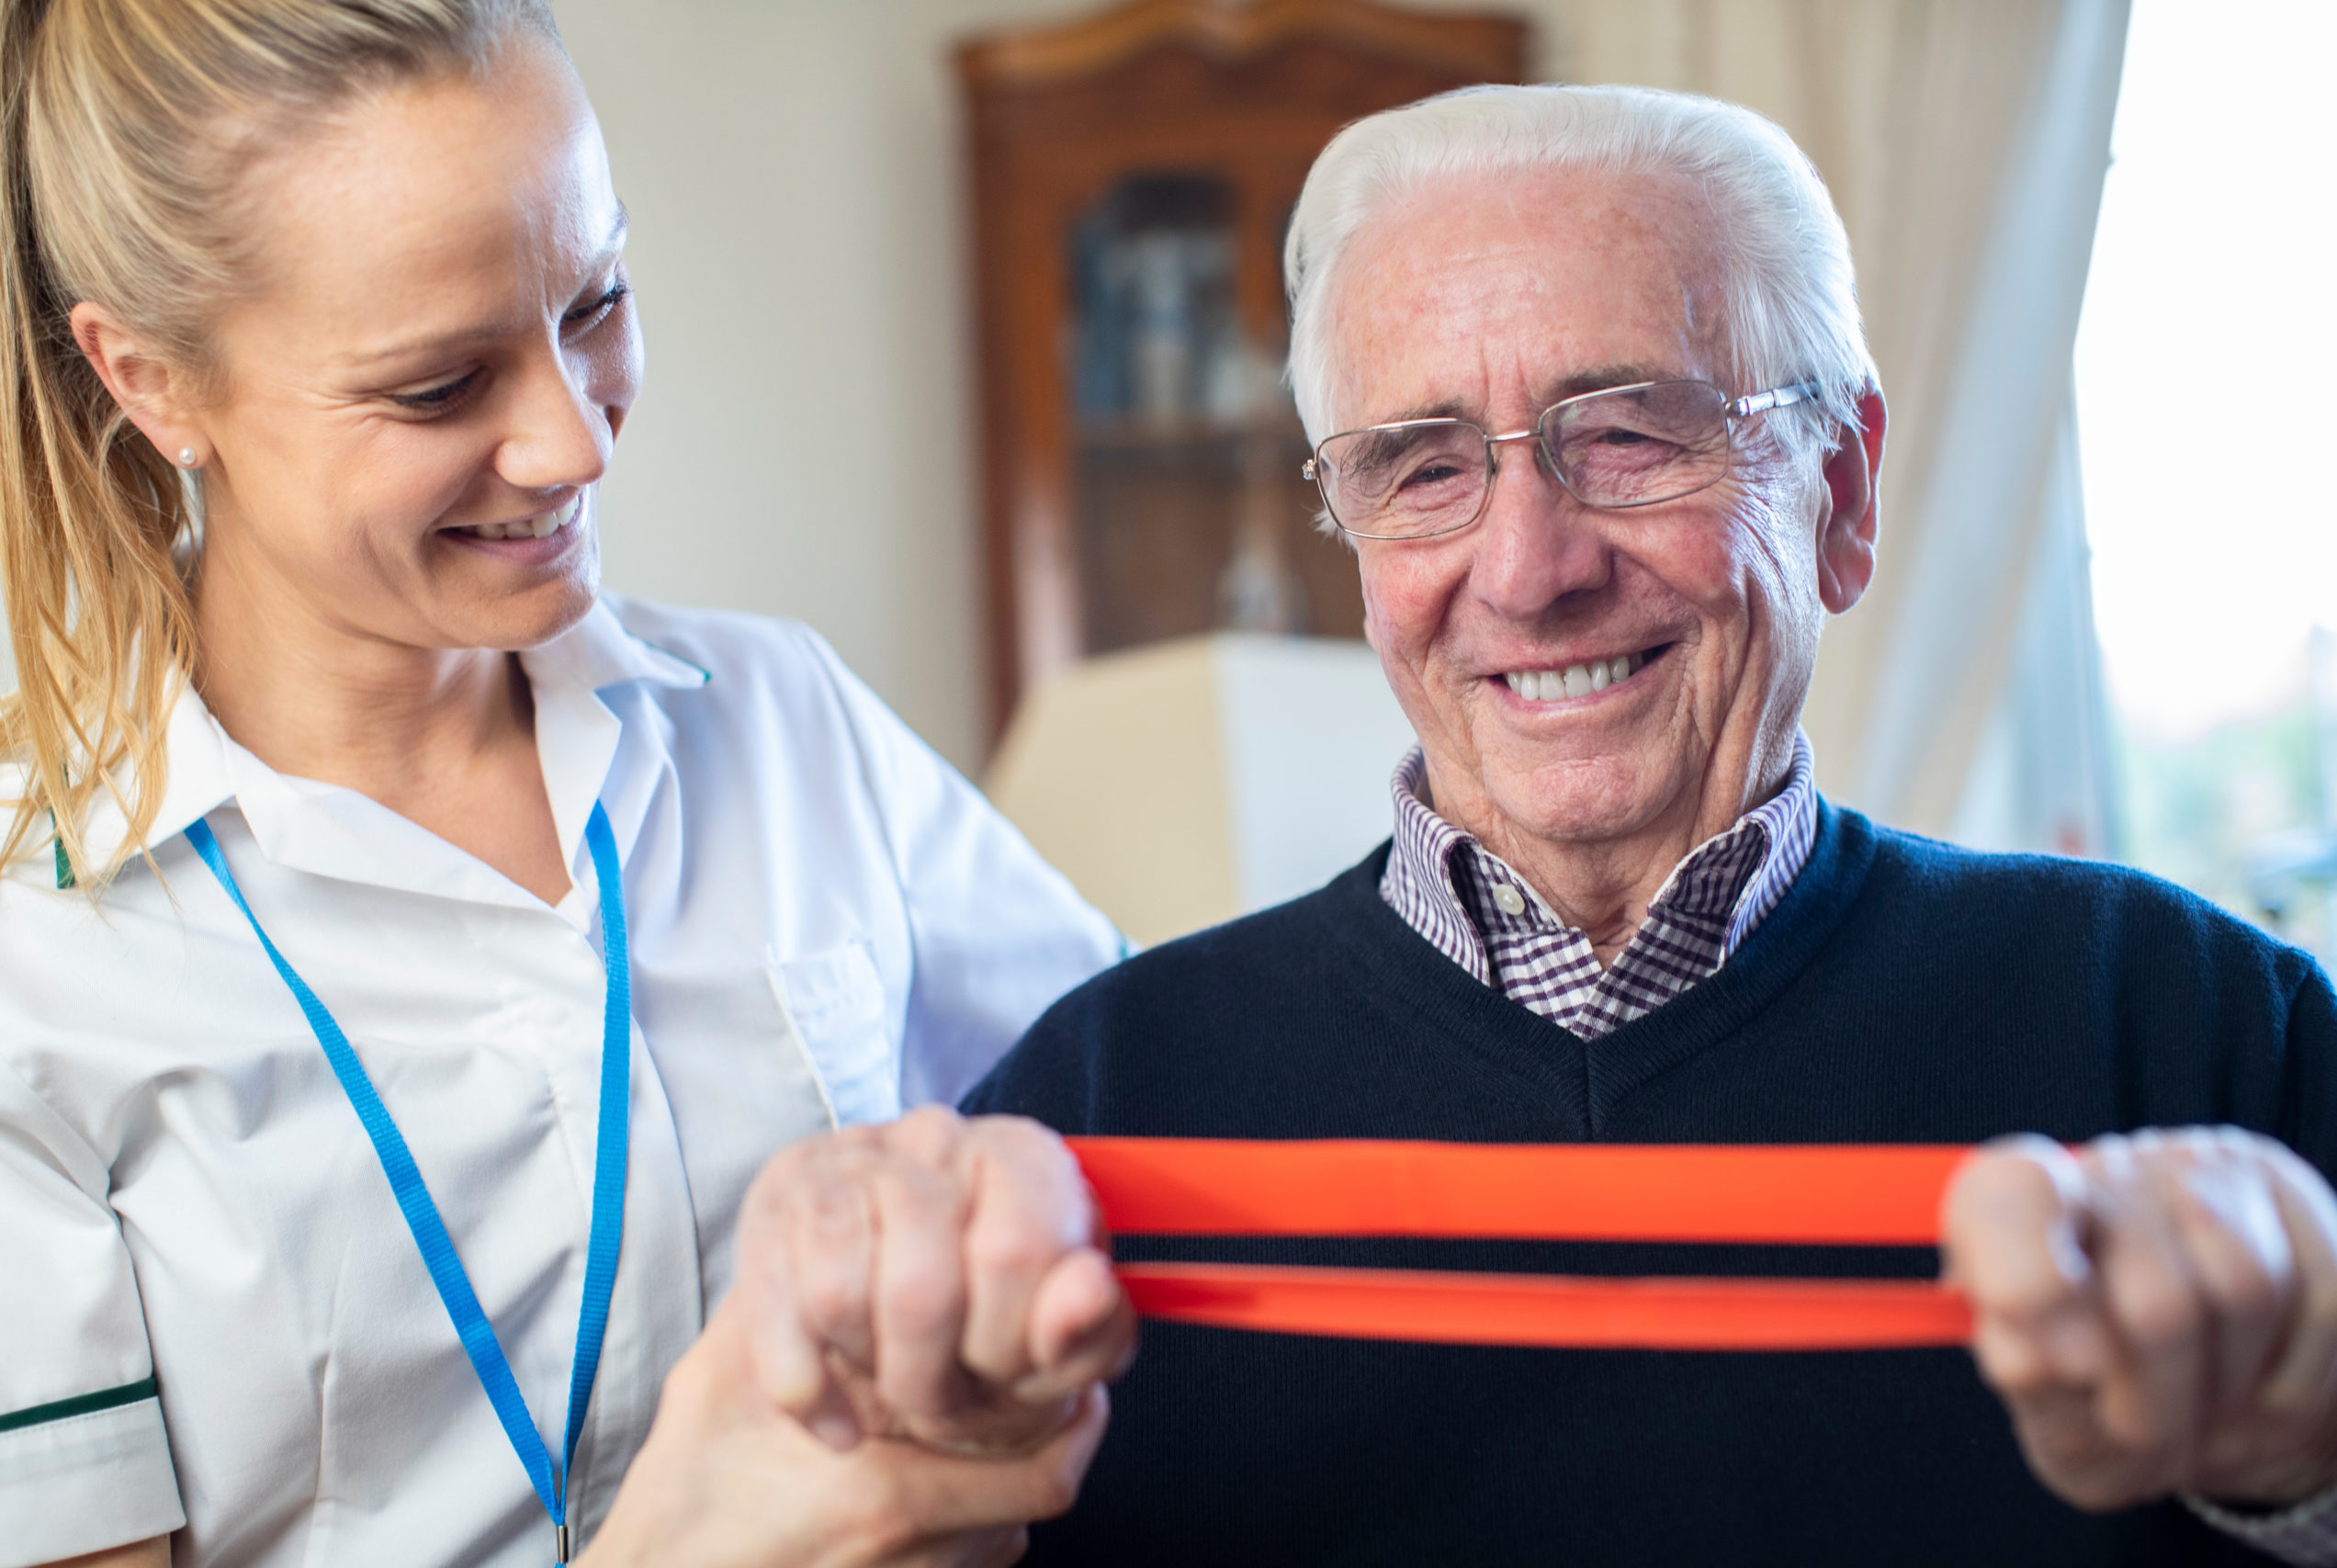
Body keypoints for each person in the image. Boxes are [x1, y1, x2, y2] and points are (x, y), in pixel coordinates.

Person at [737, 85, 2337, 1565]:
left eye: (1627, 432)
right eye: (1423, 467)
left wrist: (2306, 1461)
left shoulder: (2202, 1041)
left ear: (1839, 494)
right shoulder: (1087, 1120)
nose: (1526, 569)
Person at [0, 3, 1134, 1564]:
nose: (573, 441)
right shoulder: (24, 949)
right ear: (150, 379)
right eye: (438, 386)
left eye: (597, 301)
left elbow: (1143, 1120)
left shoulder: (786, 721)